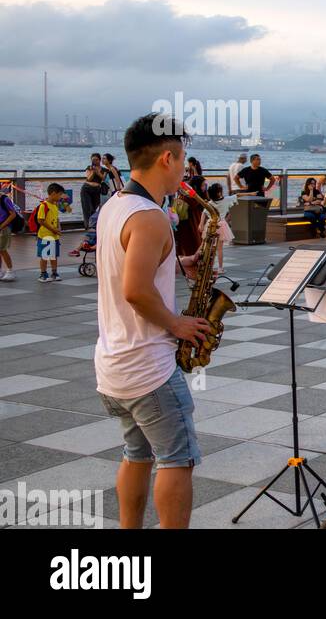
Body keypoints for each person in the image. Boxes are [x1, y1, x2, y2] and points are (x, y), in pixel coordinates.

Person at [97, 113, 212, 529]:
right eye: (183, 159)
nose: (184, 168)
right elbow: (135, 291)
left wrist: (178, 260)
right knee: (178, 460)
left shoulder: (116, 206)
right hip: (149, 368)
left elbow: (123, 271)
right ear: (167, 158)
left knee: (137, 455)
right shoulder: (149, 216)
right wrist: (177, 324)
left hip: (115, 365)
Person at [199, 182, 233, 273]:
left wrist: (201, 224)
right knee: (219, 248)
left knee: (208, 246)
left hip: (210, 224)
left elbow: (204, 213)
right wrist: (225, 220)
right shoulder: (225, 201)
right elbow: (230, 213)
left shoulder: (210, 203)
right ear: (219, 193)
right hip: (221, 225)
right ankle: (220, 268)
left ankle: (207, 266)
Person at [36, 184, 66, 282]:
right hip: (45, 235)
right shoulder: (43, 205)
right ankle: (43, 273)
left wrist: (58, 228)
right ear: (53, 193)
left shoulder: (55, 205)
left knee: (53, 255)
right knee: (44, 256)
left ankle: (54, 272)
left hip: (54, 236)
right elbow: (40, 220)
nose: (60, 197)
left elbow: (56, 219)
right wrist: (53, 229)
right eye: (60, 194)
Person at [82, 153, 109, 230]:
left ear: (99, 160)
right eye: (93, 160)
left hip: (97, 189)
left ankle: (94, 225)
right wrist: (93, 171)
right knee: (87, 208)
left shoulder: (104, 170)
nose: (95, 161)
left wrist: (97, 172)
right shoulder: (89, 168)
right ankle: (88, 226)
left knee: (95, 207)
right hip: (86, 188)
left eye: (96, 159)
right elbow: (88, 178)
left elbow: (103, 178)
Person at [0, 183, 17, 281]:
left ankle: (10, 271)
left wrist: (2, 225)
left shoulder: (4, 199)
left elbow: (13, 214)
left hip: (4, 227)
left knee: (3, 249)